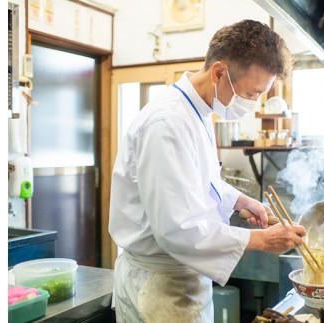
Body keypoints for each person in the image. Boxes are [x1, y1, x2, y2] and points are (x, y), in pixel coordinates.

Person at [108, 19, 306, 323]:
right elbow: (178, 228)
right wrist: (261, 240)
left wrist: (240, 201)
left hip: (179, 280)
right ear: (219, 73)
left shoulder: (195, 112)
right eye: (253, 94)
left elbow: (195, 181)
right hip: (160, 287)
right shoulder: (168, 123)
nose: (253, 104)